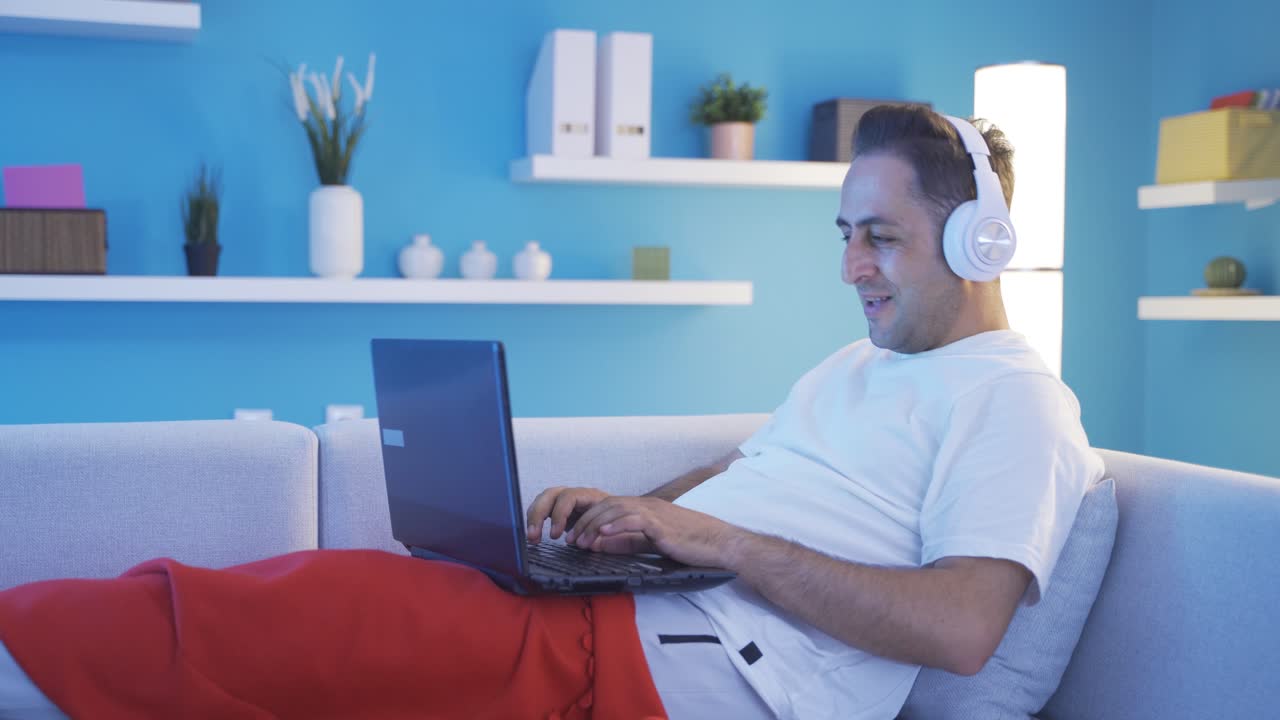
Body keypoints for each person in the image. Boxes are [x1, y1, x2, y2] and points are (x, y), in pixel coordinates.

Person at [0, 105, 1103, 720]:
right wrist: (638, 509)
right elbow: (751, 470)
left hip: (689, 669)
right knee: (330, 598)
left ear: (977, 243)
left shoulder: (1015, 404)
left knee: (318, 613)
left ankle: (28, 652)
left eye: (881, 237)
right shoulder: (857, 367)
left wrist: (706, 537)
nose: (852, 265)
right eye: (842, 233)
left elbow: (960, 631)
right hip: (640, 610)